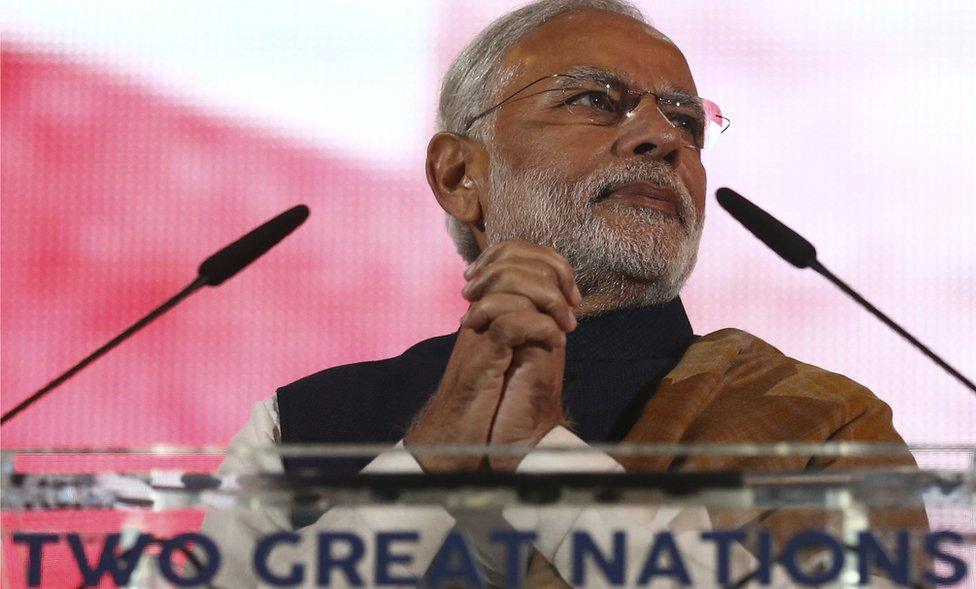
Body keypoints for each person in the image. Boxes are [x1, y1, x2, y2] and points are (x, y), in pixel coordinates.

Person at [203, 0, 925, 586]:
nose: (661, 137)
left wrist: (539, 457)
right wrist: (435, 452)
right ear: (460, 176)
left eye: (685, 119)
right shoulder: (302, 427)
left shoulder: (816, 427)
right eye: (594, 99)